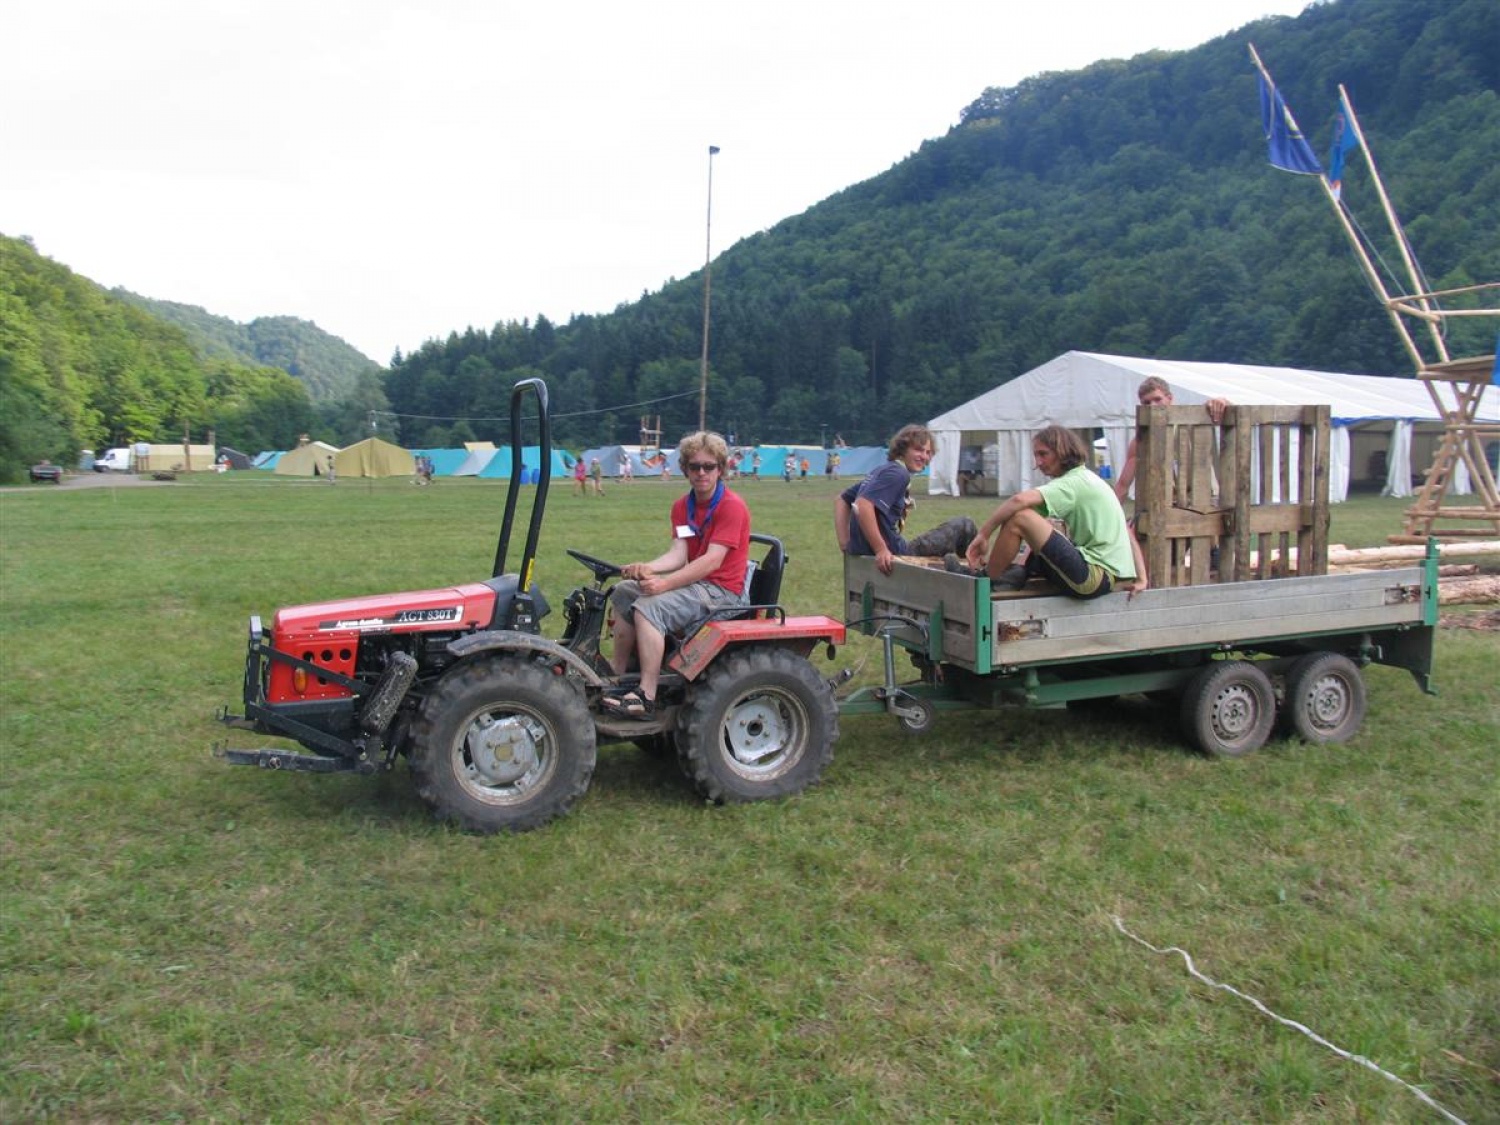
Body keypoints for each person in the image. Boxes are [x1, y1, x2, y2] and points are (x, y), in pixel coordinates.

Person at [603, 431, 751, 716]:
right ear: (685, 469)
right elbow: (679, 553)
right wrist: (648, 568)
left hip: (721, 591)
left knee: (649, 607)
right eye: (694, 466)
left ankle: (646, 694)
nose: (701, 473)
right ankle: (616, 676)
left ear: (720, 469)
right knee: (623, 592)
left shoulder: (731, 507)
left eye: (709, 466)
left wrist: (665, 584)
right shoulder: (683, 507)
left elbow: (711, 562)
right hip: (697, 582)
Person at [958, 425, 1145, 599]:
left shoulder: (1072, 483)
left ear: (1062, 451)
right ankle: (1011, 575)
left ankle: (982, 582)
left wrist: (984, 534)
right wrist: (1142, 578)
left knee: (1021, 518)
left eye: (1043, 454)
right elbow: (1126, 531)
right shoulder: (1089, 479)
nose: (1038, 462)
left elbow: (1018, 501)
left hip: (1093, 577)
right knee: (1034, 520)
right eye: (1036, 456)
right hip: (1104, 576)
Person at [834, 423, 977, 575]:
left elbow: (842, 499)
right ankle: (976, 578)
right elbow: (863, 505)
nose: (924, 456)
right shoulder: (898, 474)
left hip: (885, 548)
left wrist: (846, 544)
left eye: (928, 452)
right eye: (918, 450)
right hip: (899, 553)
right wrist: (880, 549)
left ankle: (963, 570)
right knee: (965, 526)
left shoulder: (883, 470)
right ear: (902, 449)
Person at [1115, 376, 1230, 502]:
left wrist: (1220, 402)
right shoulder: (1140, 441)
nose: (1152, 405)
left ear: (1169, 398)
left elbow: (1222, 409)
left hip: (1206, 501)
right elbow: (1123, 485)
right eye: (1146, 402)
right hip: (1167, 506)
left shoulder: (1191, 423)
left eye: (1157, 399)